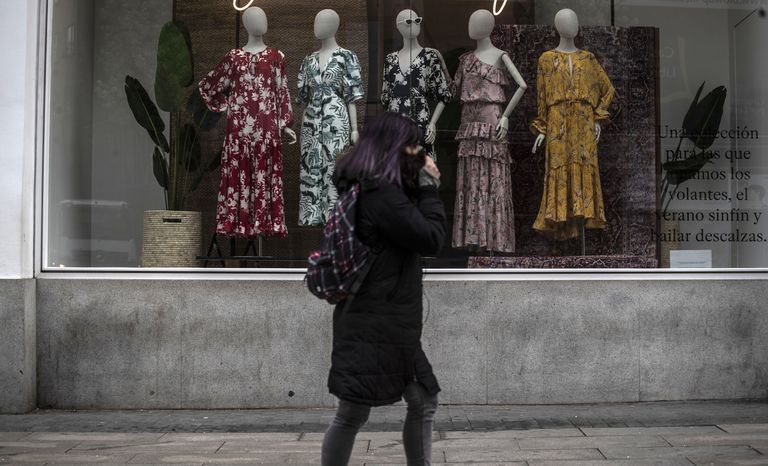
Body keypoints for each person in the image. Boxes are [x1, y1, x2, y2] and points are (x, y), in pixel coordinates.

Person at [321, 112, 446, 466]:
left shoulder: (370, 188)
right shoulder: (380, 194)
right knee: (353, 413)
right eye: (413, 145)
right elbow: (431, 238)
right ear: (392, 148)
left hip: (380, 320)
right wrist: (428, 187)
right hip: (377, 323)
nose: (419, 153)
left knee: (421, 400)